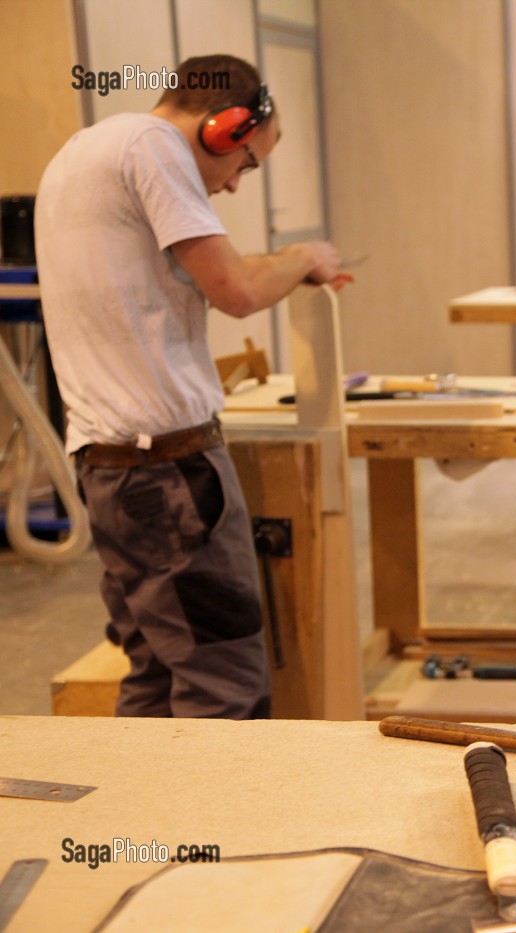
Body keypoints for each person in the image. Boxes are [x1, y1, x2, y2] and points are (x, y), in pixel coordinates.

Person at [35, 54, 351, 719]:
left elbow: (220, 270)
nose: (236, 184)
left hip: (110, 466)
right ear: (223, 126)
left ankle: (147, 826)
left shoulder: (81, 151)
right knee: (224, 683)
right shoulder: (154, 147)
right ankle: (216, 827)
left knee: (153, 674)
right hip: (168, 473)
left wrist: (289, 267)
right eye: (246, 161)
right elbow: (235, 291)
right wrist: (304, 257)